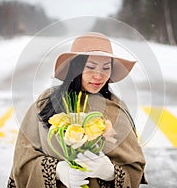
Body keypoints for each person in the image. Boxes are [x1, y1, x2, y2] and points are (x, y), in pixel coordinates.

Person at [8, 32, 147, 188]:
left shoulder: (116, 109)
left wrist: (110, 172)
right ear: (76, 67)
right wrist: (58, 171)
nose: (98, 76)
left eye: (106, 68)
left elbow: (135, 168)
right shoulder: (47, 102)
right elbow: (22, 159)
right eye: (91, 67)